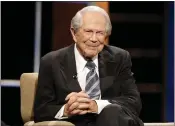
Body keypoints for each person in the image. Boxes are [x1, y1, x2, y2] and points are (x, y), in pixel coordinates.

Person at [34, 6, 144, 126]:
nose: (94, 39)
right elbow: (41, 110)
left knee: (112, 111)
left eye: (100, 33)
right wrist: (66, 110)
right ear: (74, 33)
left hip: (115, 121)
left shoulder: (119, 58)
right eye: (88, 31)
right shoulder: (51, 62)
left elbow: (133, 102)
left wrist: (96, 105)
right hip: (77, 122)